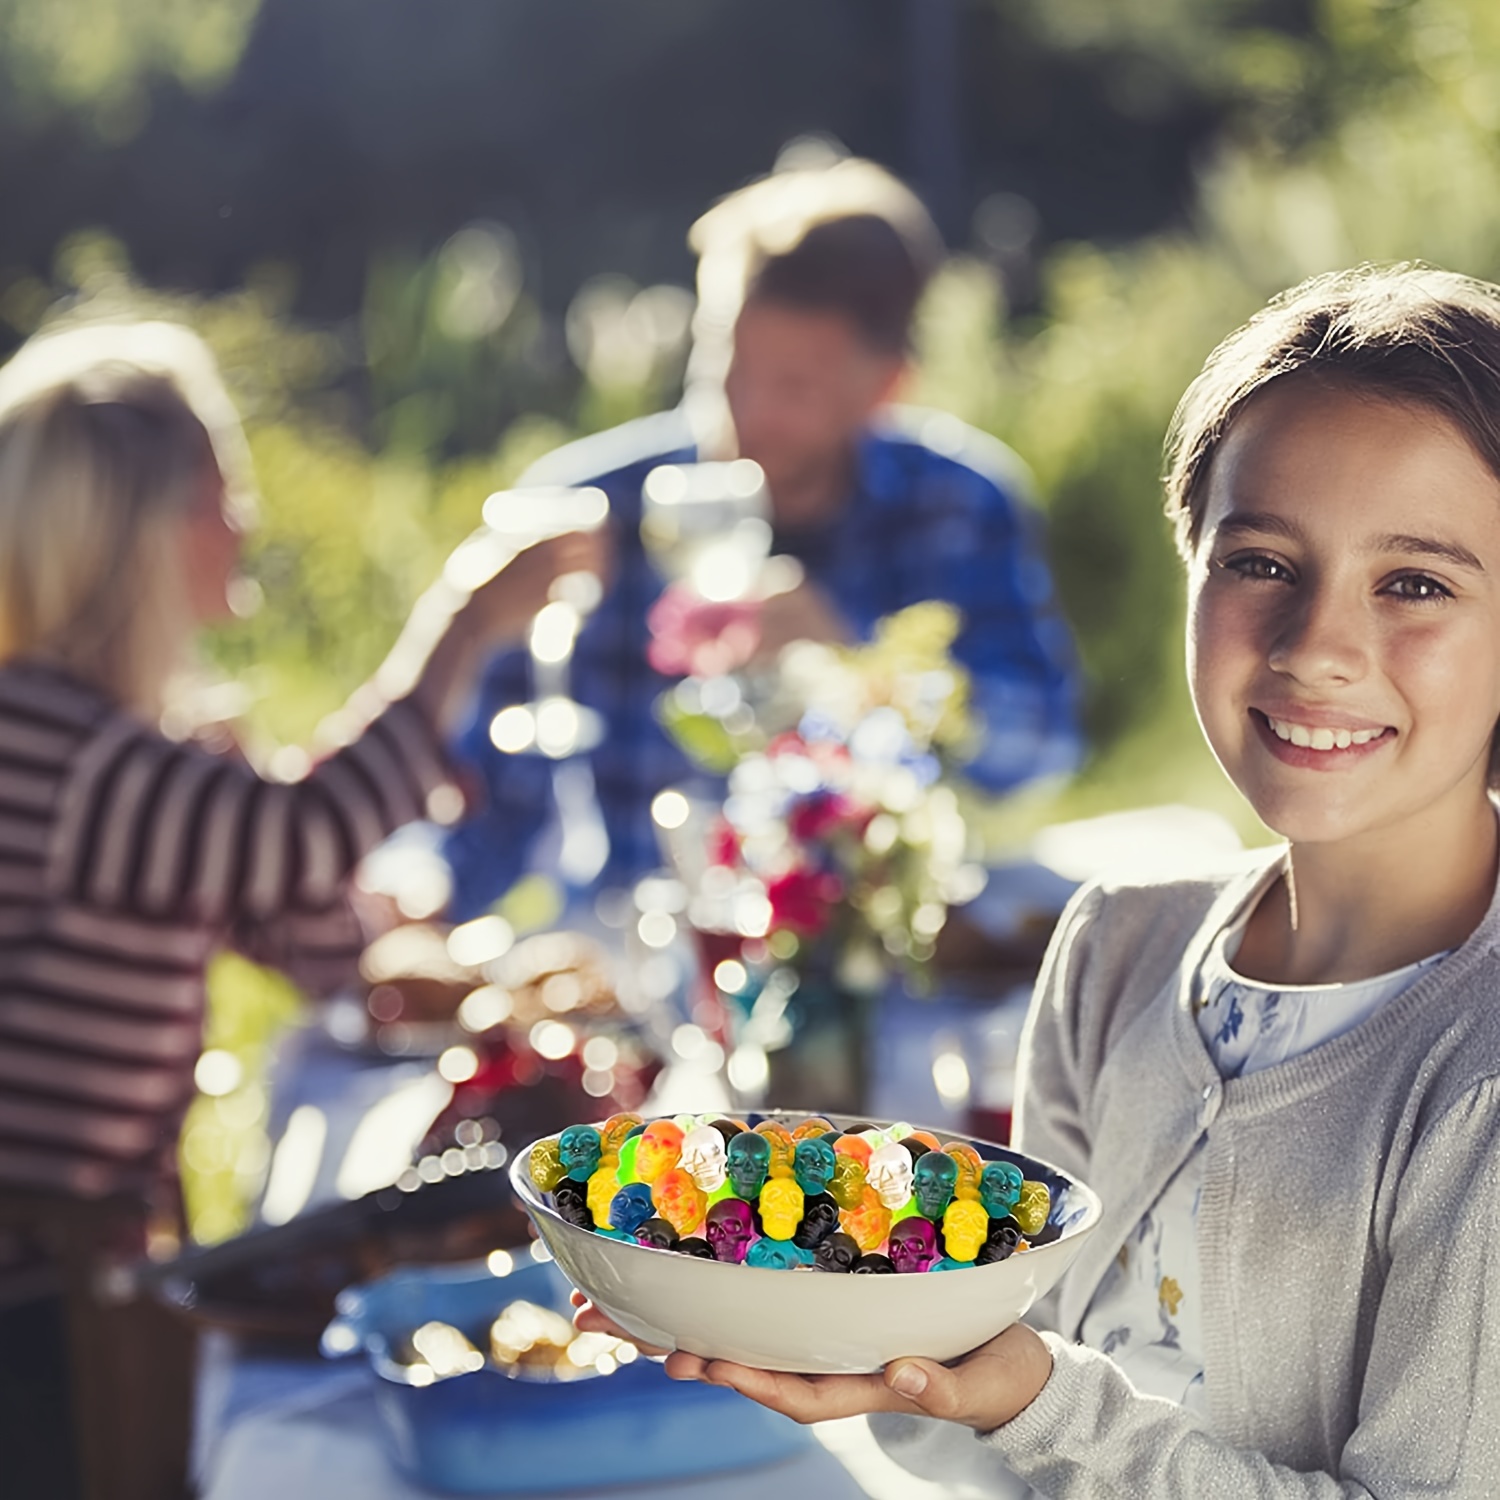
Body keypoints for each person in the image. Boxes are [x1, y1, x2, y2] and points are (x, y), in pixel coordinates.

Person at [577, 263, 1500, 1495]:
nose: (1319, 647)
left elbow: (1044, 1402)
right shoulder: (1115, 946)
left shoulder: (1476, 1072)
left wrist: (1030, 1401)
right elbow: (998, 1411)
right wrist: (805, 1310)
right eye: (1262, 562)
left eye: (1417, 584)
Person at [0, 317, 600, 1500]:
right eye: (220, 494)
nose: (244, 524)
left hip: (81, 1268)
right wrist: (463, 629)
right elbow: (301, 838)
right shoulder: (54, 750)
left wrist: (348, 862)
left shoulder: (114, 748)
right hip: (27, 1297)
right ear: (141, 530)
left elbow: (312, 930)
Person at [441, 155, 1082, 918]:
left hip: (868, 952)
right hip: (629, 950)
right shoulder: (581, 506)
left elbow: (1043, 746)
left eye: (792, 389)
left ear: (883, 389)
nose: (742, 413)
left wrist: (860, 667)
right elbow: (480, 794)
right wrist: (418, 908)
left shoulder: (958, 502)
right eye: (725, 366)